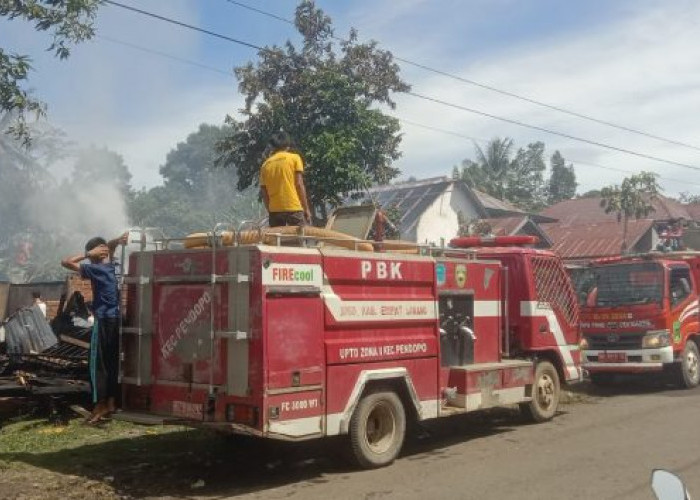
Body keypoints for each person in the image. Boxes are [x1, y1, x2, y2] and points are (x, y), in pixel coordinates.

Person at [61, 233, 127, 424]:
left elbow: (65, 262)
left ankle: (99, 405)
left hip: (104, 319)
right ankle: (112, 403)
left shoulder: (97, 269)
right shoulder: (114, 266)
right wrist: (115, 241)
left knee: (97, 365)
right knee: (113, 363)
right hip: (116, 319)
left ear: (96, 253)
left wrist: (87, 253)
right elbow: (111, 247)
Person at [259, 132, 312, 226]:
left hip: (275, 211)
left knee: (279, 239)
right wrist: (306, 209)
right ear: (288, 145)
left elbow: (264, 192)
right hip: (293, 208)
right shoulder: (294, 158)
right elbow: (299, 185)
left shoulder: (265, 165)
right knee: (300, 238)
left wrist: (271, 211)